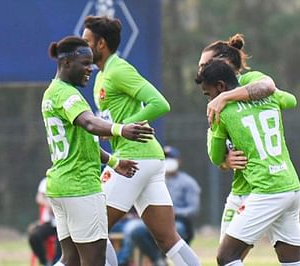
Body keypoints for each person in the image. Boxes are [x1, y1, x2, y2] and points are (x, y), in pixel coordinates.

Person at [82, 16, 201, 266]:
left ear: (101, 44)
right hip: (148, 159)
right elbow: (115, 119)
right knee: (168, 239)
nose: (83, 47)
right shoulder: (102, 74)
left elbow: (160, 103)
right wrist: (111, 128)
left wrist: (122, 128)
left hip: (134, 159)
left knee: (92, 228)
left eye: (87, 41)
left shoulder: (119, 69)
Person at [197, 34, 300, 266]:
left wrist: (224, 101)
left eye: (205, 65)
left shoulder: (230, 101)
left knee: (226, 257)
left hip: (264, 188)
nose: (200, 69)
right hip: (287, 185)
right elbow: (285, 98)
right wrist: (227, 161)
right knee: (292, 260)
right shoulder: (266, 98)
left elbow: (214, 155)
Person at [42, 35, 154, 266]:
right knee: (94, 262)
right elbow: (90, 125)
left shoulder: (52, 92)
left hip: (60, 186)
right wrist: (120, 129)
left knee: (70, 260)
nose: (90, 69)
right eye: (84, 63)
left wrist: (113, 162)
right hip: (80, 187)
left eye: (91, 63)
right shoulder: (68, 95)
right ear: (66, 64)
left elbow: (82, 142)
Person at [128, 145, 201, 266]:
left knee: (178, 230)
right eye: (165, 158)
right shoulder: (153, 179)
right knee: (134, 230)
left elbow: (193, 209)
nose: (168, 162)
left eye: (171, 158)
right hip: (153, 220)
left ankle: (172, 259)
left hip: (177, 220)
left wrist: (175, 212)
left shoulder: (188, 182)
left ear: (179, 161)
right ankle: (158, 260)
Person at [28, 177, 61, 266]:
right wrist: (49, 205)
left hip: (63, 224)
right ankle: (45, 262)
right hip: (49, 223)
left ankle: (56, 262)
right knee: (34, 235)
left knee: (62, 240)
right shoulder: (46, 180)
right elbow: (39, 198)